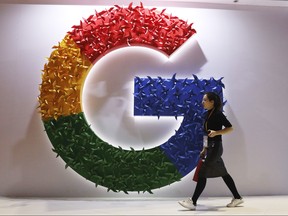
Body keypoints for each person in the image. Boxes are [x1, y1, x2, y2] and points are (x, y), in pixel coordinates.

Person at [178, 92, 244, 210]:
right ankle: (237, 197)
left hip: (216, 147)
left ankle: (193, 202)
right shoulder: (207, 114)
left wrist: (217, 132)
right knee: (224, 173)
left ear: (212, 102)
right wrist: (204, 148)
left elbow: (230, 128)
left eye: (204, 100)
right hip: (211, 147)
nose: (202, 102)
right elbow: (206, 134)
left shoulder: (218, 114)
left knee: (202, 173)